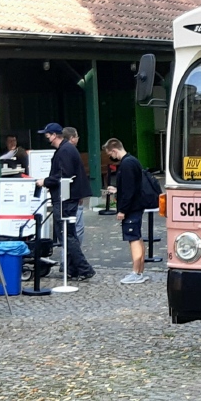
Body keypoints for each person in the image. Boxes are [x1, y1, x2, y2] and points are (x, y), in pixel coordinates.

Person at [34, 122, 95, 281]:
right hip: (66, 197)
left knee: (66, 234)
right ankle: (73, 269)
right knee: (69, 234)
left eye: (47, 134)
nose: (46, 137)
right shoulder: (67, 149)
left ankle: (84, 268)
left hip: (64, 199)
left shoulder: (65, 150)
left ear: (54, 135)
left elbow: (64, 175)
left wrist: (45, 181)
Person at [103, 138, 149, 284]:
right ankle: (140, 271)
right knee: (137, 237)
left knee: (133, 239)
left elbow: (129, 189)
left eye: (110, 153)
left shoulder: (127, 164)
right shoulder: (132, 161)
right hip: (137, 205)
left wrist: (122, 210)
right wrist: (118, 189)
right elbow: (132, 185)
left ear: (114, 150)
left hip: (132, 208)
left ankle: (136, 272)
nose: (111, 156)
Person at [62, 127, 87, 245]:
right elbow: (76, 174)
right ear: (72, 138)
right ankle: (74, 256)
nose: (78, 139)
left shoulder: (64, 150)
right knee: (77, 227)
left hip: (69, 196)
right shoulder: (71, 151)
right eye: (77, 137)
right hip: (73, 196)